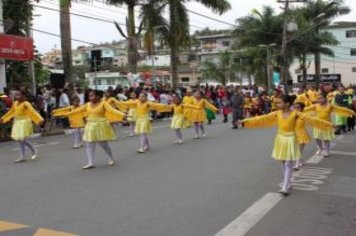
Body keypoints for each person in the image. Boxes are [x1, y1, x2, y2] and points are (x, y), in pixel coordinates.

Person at [241, 95, 332, 195]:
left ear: (287, 104)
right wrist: (244, 122)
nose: (277, 104)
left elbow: (313, 120)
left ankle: (285, 186)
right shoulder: (277, 113)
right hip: (280, 139)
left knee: (289, 163)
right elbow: (262, 118)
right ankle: (287, 182)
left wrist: (329, 125)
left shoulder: (296, 113)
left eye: (279, 103)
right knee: (283, 162)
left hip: (291, 139)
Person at [64, 90, 125, 169]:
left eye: (92, 95)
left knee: (103, 144)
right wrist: (66, 114)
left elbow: (112, 110)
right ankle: (91, 162)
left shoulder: (104, 103)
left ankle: (111, 157)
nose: (90, 97)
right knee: (89, 143)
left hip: (101, 125)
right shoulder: (88, 104)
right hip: (90, 125)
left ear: (98, 96)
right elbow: (78, 110)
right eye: (89, 96)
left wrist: (123, 114)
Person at [304, 93, 355, 157]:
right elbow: (306, 109)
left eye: (321, 98)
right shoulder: (315, 106)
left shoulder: (330, 106)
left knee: (326, 139)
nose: (319, 100)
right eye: (318, 98)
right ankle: (320, 148)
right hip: (318, 124)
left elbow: (340, 109)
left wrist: (350, 111)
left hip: (327, 124)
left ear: (325, 98)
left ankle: (327, 151)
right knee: (317, 138)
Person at [0, 90, 44, 163]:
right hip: (17, 122)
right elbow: (11, 112)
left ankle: (30, 151)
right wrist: (3, 118)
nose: (16, 96)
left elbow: (33, 112)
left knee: (22, 139)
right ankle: (24, 156)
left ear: (24, 96)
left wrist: (39, 119)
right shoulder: (15, 103)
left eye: (18, 95)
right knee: (19, 140)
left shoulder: (26, 104)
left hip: (24, 122)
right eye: (16, 95)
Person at [293, 102, 310, 170]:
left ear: (302, 109)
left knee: (299, 150)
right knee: (295, 150)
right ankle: (301, 161)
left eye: (298, 107)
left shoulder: (304, 115)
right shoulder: (291, 115)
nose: (296, 109)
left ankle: (297, 164)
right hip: (293, 134)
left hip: (302, 134)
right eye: (295, 107)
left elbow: (313, 121)